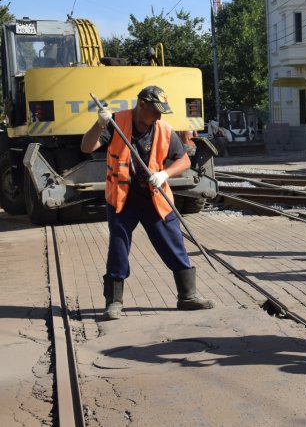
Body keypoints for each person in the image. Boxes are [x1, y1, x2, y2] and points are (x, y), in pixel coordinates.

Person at [80, 86, 215, 321]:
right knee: (118, 248)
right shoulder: (115, 123)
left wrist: (165, 174)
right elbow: (86, 147)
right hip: (123, 199)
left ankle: (188, 296)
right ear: (141, 105)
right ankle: (114, 302)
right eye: (156, 110)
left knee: (173, 243)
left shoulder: (163, 129)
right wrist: (99, 124)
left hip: (155, 197)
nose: (160, 116)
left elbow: (183, 160)